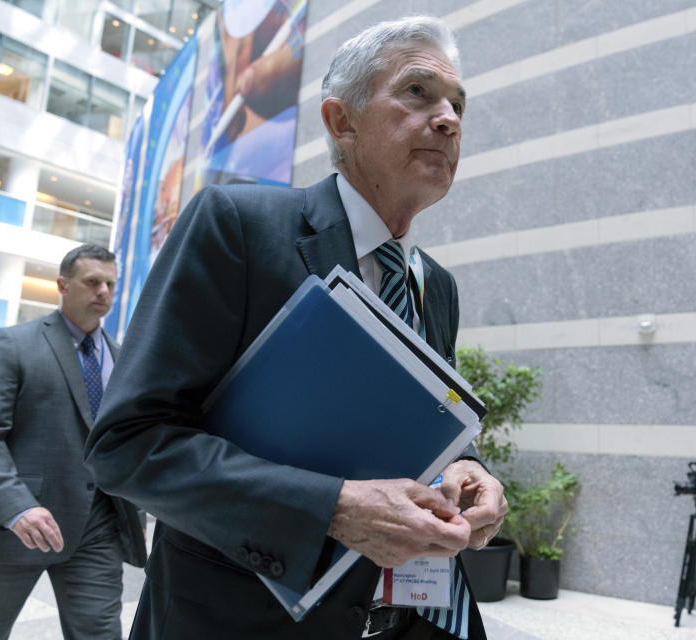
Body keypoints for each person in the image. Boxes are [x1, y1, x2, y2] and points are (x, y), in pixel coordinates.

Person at [85, 16, 506, 640]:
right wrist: (333, 509)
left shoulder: (436, 285)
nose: (448, 119)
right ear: (342, 121)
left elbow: (422, 425)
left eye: (458, 104)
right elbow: (129, 445)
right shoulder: (239, 227)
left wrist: (468, 469)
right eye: (417, 93)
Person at [0, 244, 147, 640]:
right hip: (17, 523)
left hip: (97, 528)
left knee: (99, 633)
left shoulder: (123, 359)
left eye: (110, 284)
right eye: (92, 282)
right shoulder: (13, 343)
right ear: (62, 285)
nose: (103, 292)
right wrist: (16, 508)